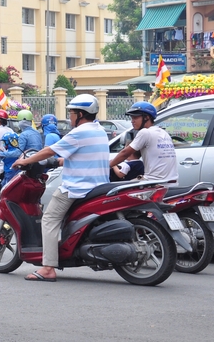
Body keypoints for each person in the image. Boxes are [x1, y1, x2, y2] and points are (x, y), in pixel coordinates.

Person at [12, 94, 110, 282]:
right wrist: (59, 161)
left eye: (71, 113)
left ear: (80, 114)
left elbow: (49, 150)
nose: (69, 117)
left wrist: (25, 161)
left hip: (77, 187)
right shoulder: (99, 130)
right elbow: (84, 155)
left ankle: (48, 268)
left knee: (49, 219)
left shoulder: (79, 132)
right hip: (98, 185)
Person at [109, 101, 178, 184]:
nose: (132, 121)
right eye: (131, 118)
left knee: (118, 189)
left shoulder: (145, 132)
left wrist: (109, 165)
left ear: (146, 117)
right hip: (171, 182)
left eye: (135, 117)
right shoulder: (164, 133)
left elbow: (125, 153)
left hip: (153, 182)